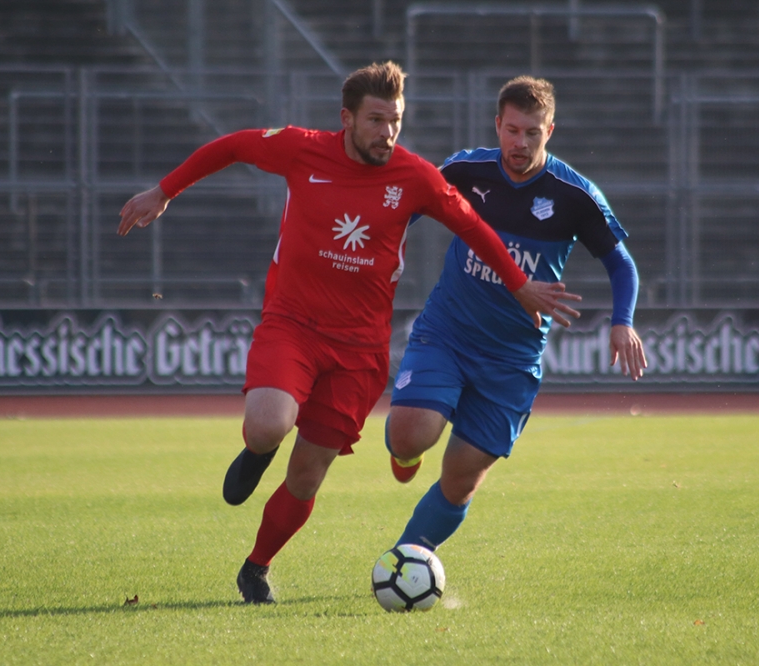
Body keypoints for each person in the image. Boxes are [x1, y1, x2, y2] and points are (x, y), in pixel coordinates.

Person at [117, 62, 582, 604]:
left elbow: (473, 228)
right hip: (293, 325)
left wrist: (520, 285)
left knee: (307, 475)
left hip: (359, 350)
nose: (388, 132)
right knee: (267, 426)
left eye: (396, 120)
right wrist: (165, 190)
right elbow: (234, 145)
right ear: (347, 119)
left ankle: (256, 568)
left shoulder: (416, 177)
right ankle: (257, 451)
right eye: (376, 120)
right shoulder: (302, 149)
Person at [386, 75, 647, 554]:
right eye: (512, 130)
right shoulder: (467, 170)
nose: (520, 143)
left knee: (460, 478)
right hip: (447, 333)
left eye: (532, 132)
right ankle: (405, 456)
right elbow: (405, 207)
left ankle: (404, 561)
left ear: (550, 131)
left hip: (511, 359)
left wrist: (622, 323)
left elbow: (621, 265)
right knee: (407, 437)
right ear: (497, 126)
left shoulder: (575, 194)